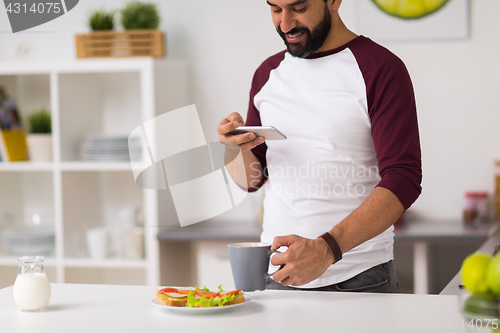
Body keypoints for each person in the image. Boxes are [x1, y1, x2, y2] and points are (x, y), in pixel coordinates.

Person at [217, 0, 421, 293]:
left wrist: (327, 249)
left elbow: (404, 178)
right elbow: (252, 180)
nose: (285, 24)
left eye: (298, 8)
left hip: (358, 277)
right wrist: (233, 147)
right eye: (275, 10)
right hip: (277, 277)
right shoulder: (267, 73)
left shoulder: (380, 68)